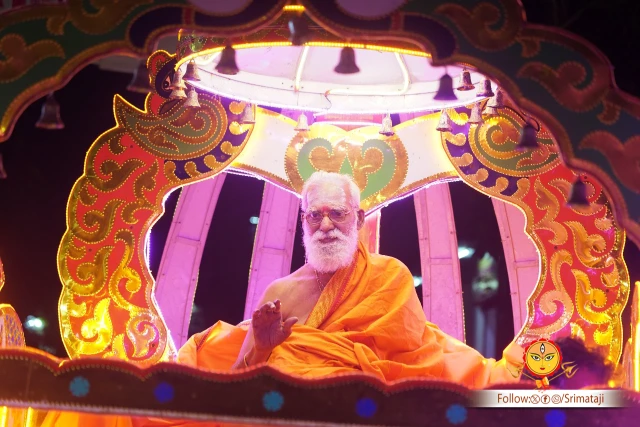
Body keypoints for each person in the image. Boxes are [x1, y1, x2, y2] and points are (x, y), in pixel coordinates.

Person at [43, 171, 525, 426]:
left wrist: (343, 376)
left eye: (337, 214)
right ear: (302, 223)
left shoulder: (388, 275)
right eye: (314, 216)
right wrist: (263, 345)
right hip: (279, 413)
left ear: (358, 218)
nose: (326, 225)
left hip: (360, 410)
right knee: (115, 400)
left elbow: (415, 359)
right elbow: (237, 382)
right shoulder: (281, 292)